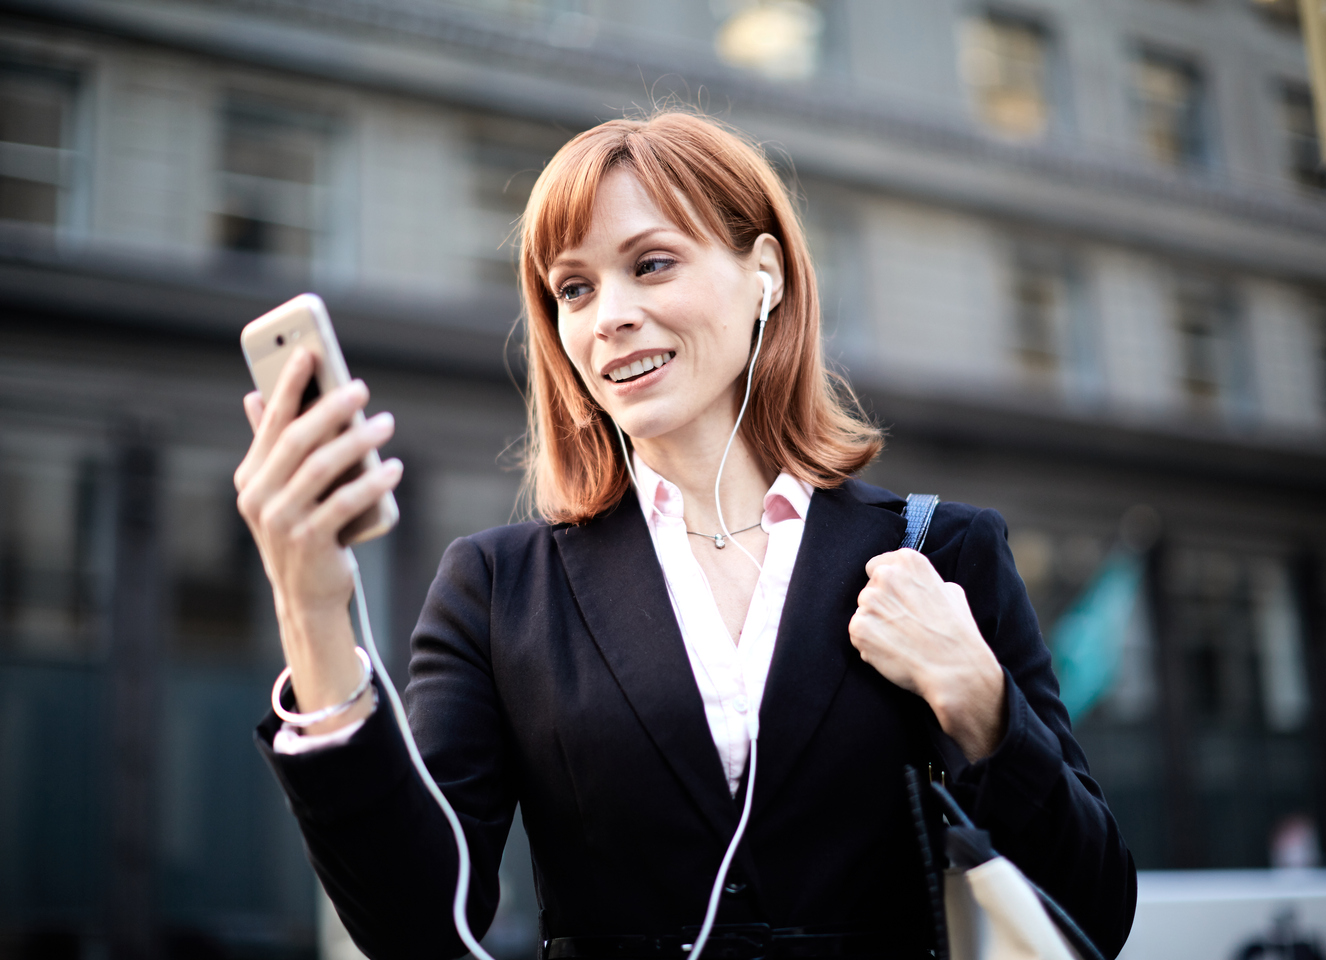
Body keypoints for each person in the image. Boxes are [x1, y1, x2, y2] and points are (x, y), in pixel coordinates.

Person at [234, 110, 1136, 960]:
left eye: (652, 263)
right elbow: (418, 930)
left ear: (766, 274)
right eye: (574, 288)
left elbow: (1095, 911)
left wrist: (982, 705)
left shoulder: (940, 554)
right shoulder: (499, 590)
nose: (607, 314)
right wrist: (313, 617)